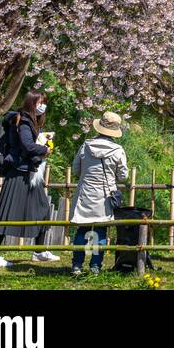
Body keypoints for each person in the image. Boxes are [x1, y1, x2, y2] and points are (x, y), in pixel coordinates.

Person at [0, 90, 60, 267]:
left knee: (43, 210)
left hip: (29, 173)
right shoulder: (23, 121)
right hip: (19, 172)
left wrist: (42, 138)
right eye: (40, 102)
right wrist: (45, 150)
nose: (43, 106)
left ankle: (39, 251)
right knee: (6, 214)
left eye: (45, 102)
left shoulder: (29, 122)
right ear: (32, 103)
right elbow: (27, 146)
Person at [69, 111, 129, 276]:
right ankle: (95, 266)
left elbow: (75, 169)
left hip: (85, 193)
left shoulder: (86, 145)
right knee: (101, 231)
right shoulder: (118, 150)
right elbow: (123, 176)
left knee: (82, 229)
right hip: (105, 196)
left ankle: (76, 266)